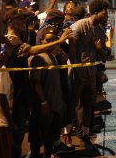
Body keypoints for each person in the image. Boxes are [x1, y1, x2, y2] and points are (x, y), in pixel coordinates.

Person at [69, 0, 108, 151]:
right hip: (77, 72)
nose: (106, 15)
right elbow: (71, 50)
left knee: (89, 104)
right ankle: (69, 133)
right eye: (105, 12)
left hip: (91, 73)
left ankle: (85, 134)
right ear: (96, 12)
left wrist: (99, 48)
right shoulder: (79, 25)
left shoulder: (100, 30)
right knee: (73, 104)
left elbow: (104, 56)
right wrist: (77, 69)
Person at [29, 26, 74, 158]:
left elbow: (66, 58)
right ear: (41, 40)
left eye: (53, 40)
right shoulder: (38, 58)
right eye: (47, 40)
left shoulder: (54, 57)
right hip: (44, 107)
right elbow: (35, 83)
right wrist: (43, 103)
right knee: (37, 141)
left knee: (50, 141)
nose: (50, 42)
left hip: (55, 106)